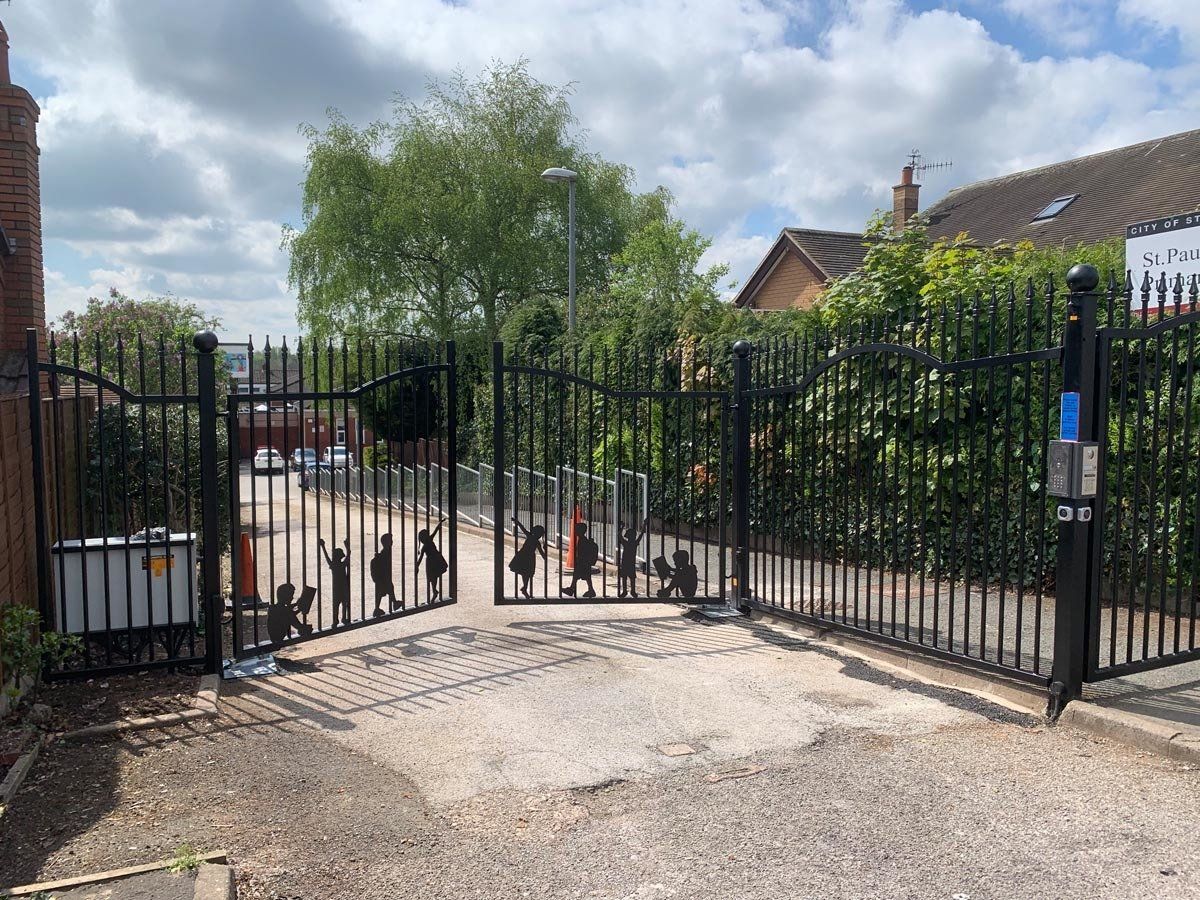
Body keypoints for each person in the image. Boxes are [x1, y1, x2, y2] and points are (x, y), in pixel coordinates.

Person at [508, 518, 547, 599]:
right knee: (528, 574)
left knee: (525, 573)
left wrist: (517, 521)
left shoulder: (530, 536)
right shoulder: (537, 542)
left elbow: (523, 528)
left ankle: (525, 588)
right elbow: (542, 554)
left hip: (523, 555)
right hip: (529, 558)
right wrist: (545, 553)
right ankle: (525, 588)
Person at [319, 538, 352, 626]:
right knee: (343, 604)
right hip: (343, 587)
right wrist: (347, 546)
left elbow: (327, 557)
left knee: (336, 605)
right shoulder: (342, 565)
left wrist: (323, 546)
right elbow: (349, 554)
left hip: (337, 587)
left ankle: (336, 620)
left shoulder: (333, 565)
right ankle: (343, 618)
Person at [562, 521, 598, 598]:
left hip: (582, 562)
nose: (574, 531)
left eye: (576, 530)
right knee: (585, 577)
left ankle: (573, 589)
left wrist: (578, 561)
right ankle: (588, 590)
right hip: (585, 563)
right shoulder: (583, 539)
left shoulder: (582, 540)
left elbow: (581, 553)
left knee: (579, 576)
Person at [370, 532, 402, 617]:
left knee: (387, 589)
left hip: (384, 575)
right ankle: (378, 608)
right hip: (383, 575)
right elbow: (383, 558)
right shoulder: (386, 551)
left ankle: (393, 603)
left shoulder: (386, 550)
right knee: (382, 591)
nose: (392, 542)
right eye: (390, 540)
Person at [416, 519, 448, 602]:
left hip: (431, 562)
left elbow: (420, 558)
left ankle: (434, 591)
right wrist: (440, 523)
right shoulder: (430, 540)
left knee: (432, 577)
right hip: (436, 559)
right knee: (434, 576)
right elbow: (436, 531)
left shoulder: (425, 545)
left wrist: (417, 566)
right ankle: (434, 591)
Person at [616, 518, 648, 598]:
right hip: (631, 562)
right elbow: (641, 534)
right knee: (631, 578)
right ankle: (632, 591)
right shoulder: (635, 543)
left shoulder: (626, 543)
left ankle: (625, 591)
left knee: (625, 578)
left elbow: (619, 535)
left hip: (625, 562)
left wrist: (621, 527)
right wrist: (644, 525)